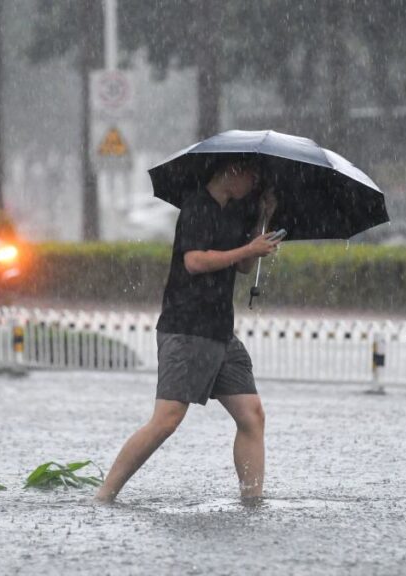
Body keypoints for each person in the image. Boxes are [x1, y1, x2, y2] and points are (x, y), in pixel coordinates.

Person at [95, 156, 279, 504]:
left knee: (252, 414)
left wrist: (261, 224)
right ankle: (104, 494)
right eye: (252, 179)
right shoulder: (197, 207)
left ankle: (252, 500)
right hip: (186, 327)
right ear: (232, 171)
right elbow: (194, 261)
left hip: (220, 330)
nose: (254, 187)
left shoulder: (237, 211)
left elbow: (243, 265)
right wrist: (247, 248)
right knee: (166, 420)